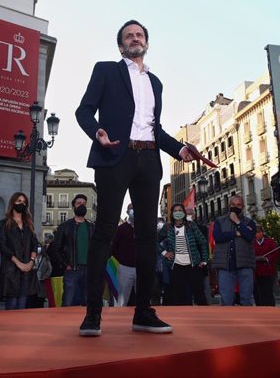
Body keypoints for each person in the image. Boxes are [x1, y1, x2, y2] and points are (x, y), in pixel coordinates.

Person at [75, 19, 195, 336]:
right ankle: (92, 315)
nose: (134, 38)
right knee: (104, 233)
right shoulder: (105, 71)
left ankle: (143, 312)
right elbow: (83, 111)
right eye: (128, 35)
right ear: (120, 45)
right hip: (115, 155)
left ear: (146, 43)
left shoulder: (155, 83)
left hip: (148, 160)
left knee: (147, 237)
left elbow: (155, 129)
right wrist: (96, 131)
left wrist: (178, 149)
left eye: (139, 34)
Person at [0, 192, 40, 310]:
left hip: (27, 269)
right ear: (13, 202)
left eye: (24, 202)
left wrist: (31, 261)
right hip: (11, 269)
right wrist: (17, 262)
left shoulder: (28, 224)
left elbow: (35, 244)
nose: (22, 204)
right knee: (12, 304)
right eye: (19, 201)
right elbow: (1, 245)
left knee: (22, 304)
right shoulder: (4, 223)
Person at [158, 204, 208, 306]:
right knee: (180, 297)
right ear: (172, 214)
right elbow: (155, 241)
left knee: (200, 295)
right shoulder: (167, 227)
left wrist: (204, 260)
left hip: (194, 265)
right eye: (175, 210)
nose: (178, 212)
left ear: (184, 213)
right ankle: (183, 319)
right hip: (176, 266)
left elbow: (202, 241)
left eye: (180, 210)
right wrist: (164, 253)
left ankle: (204, 317)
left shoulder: (191, 225)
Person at [212, 195, 256, 306]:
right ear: (229, 206)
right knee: (226, 301)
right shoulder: (219, 221)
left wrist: (237, 222)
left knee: (246, 300)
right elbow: (217, 237)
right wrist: (236, 233)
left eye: (238, 205)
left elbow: (249, 236)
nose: (236, 207)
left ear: (243, 207)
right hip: (225, 265)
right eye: (233, 205)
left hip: (245, 264)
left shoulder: (249, 222)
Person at [51, 193, 93, 306]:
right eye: (79, 203)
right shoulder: (65, 226)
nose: (82, 205)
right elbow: (56, 248)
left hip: (89, 270)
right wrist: (66, 265)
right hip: (72, 269)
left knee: (87, 303)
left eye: (84, 203)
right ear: (73, 206)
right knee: (68, 303)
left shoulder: (91, 227)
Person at [111, 204, 136, 306]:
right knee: (121, 300)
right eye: (131, 209)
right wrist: (123, 259)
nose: (133, 211)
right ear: (127, 212)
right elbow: (114, 248)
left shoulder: (144, 228)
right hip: (125, 268)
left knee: (143, 299)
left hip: (142, 267)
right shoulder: (121, 229)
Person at [253, 223, 279, 307]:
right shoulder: (251, 243)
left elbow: (275, 253)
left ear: (262, 232)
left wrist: (266, 258)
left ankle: (270, 307)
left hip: (268, 271)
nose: (257, 234)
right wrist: (256, 258)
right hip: (256, 272)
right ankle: (260, 307)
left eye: (259, 232)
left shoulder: (270, 241)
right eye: (255, 232)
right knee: (258, 292)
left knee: (268, 291)